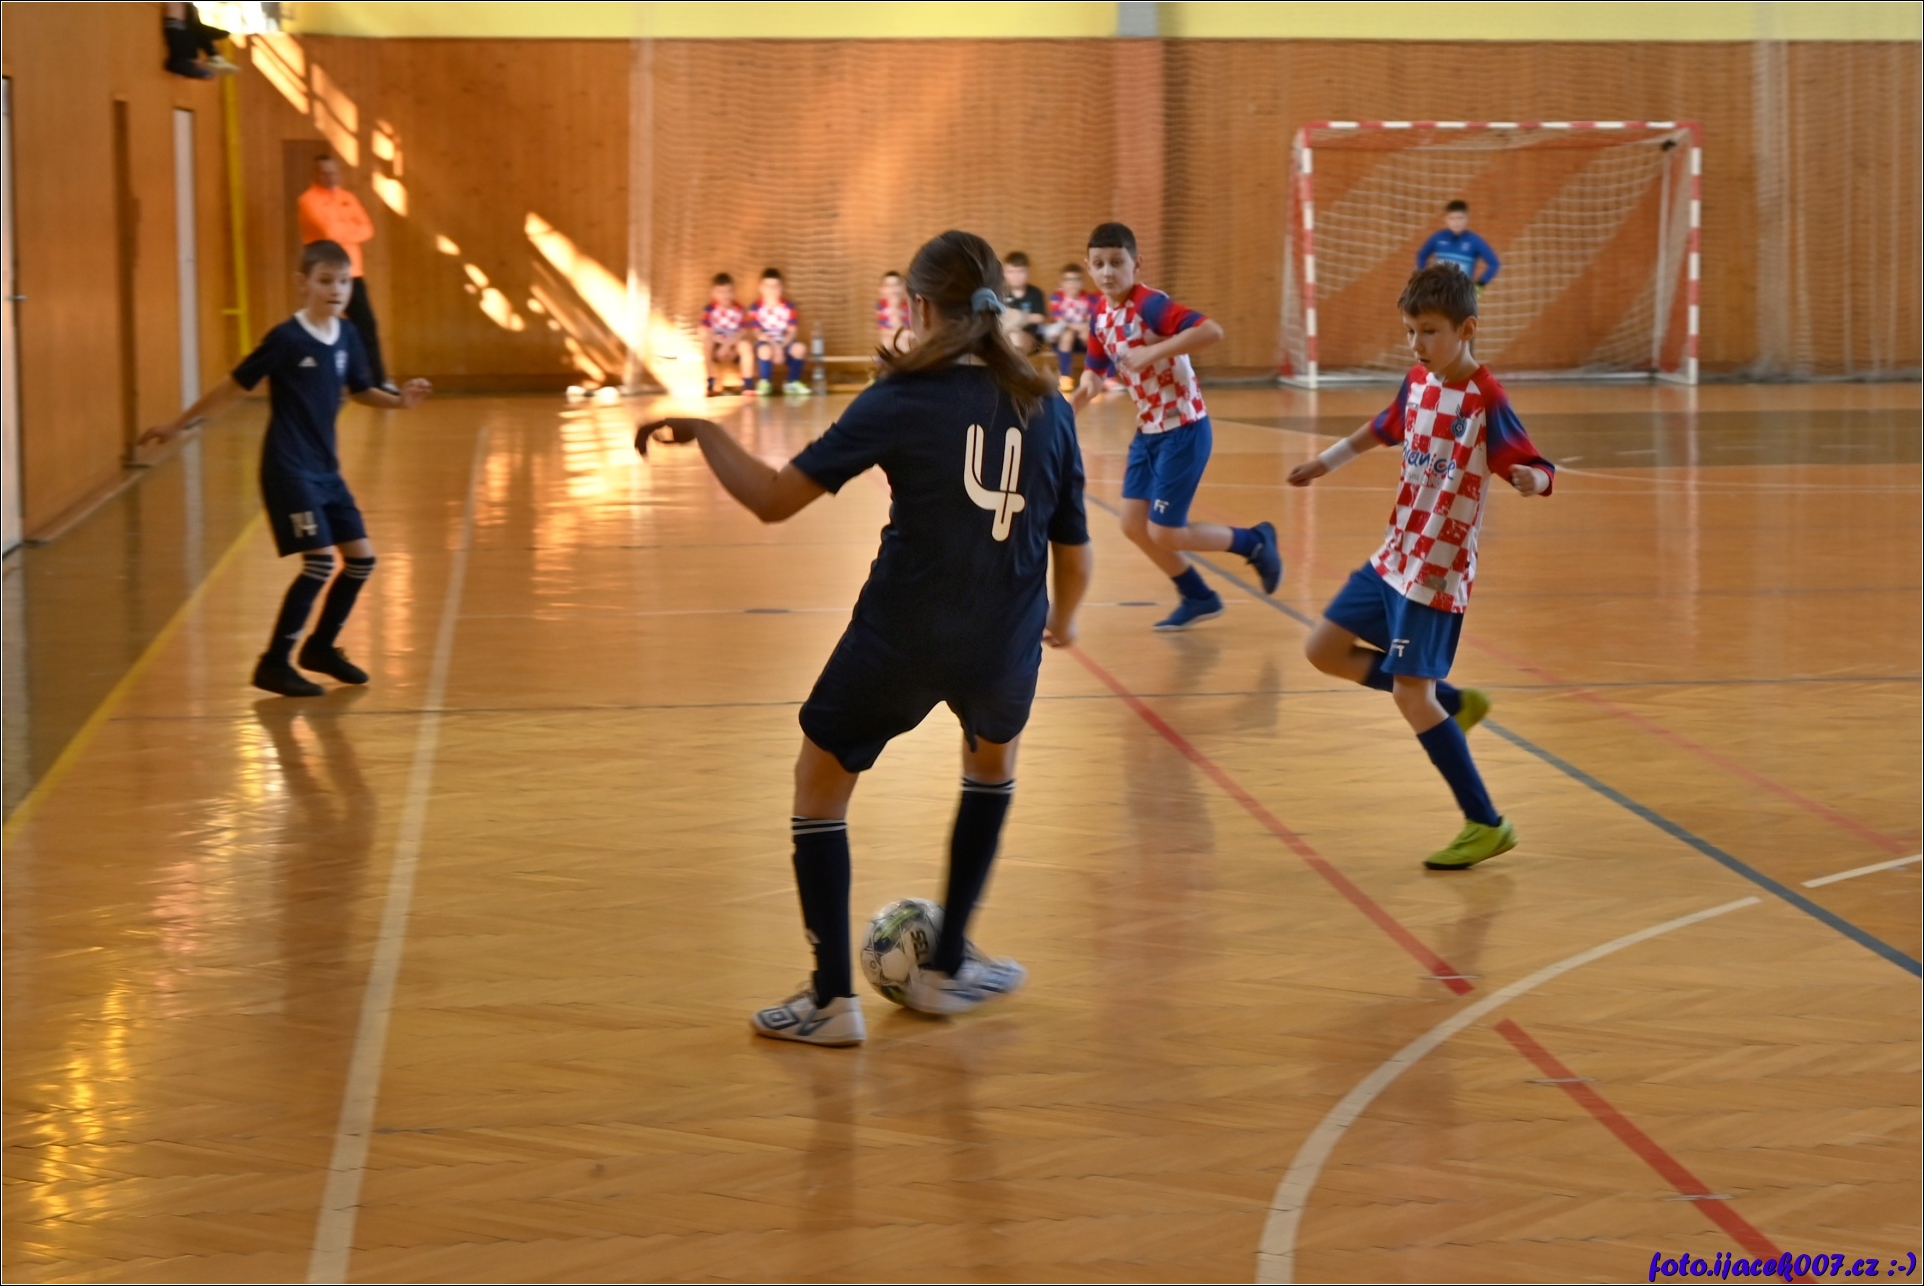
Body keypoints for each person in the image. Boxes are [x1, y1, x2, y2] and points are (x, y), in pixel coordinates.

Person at [637, 230, 1092, 1047]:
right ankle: (946, 969)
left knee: (820, 787)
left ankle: (830, 1002)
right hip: (1004, 638)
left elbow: (773, 499)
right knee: (991, 770)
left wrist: (706, 432)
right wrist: (1064, 618)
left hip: (902, 634)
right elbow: (1075, 551)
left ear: (918, 307)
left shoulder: (901, 398)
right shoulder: (1048, 403)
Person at [1287, 264, 1554, 870]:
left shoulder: (1486, 397)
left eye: (1429, 331)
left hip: (1437, 567)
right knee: (1324, 649)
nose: (1416, 344)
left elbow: (1539, 465)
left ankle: (1486, 823)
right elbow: (1382, 428)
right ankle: (1451, 705)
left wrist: (1531, 480)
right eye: (1410, 331)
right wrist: (1325, 462)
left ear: (1466, 330)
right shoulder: (1416, 382)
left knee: (1410, 693)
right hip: (1395, 553)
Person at [139, 240, 432, 698]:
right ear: (302, 284)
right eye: (325, 281)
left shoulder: (348, 335)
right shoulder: (287, 339)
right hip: (288, 469)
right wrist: (177, 425)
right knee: (319, 563)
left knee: (361, 561)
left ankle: (320, 648)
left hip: (326, 470)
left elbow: (360, 389)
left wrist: (399, 403)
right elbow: (233, 387)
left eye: (343, 282)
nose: (336, 290)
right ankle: (274, 663)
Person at [1071, 221, 1281, 631]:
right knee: (1133, 526)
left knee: (1165, 532)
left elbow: (1211, 331)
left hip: (1184, 427)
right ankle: (1198, 596)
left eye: (1117, 262)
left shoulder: (1150, 305)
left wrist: (1153, 352)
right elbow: (1094, 374)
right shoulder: (1100, 316)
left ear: (1136, 263)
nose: (1108, 271)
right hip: (1148, 431)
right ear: (1088, 266)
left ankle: (1254, 542)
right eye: (1099, 263)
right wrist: (1070, 406)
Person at [297, 155, 394, 393]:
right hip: (322, 275)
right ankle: (321, 382)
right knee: (320, 326)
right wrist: (349, 229)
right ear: (315, 175)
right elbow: (328, 231)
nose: (330, 177)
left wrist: (342, 231)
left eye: (333, 173)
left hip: (352, 272)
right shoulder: (308, 200)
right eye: (324, 173)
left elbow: (367, 229)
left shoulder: (348, 198)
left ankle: (378, 381)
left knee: (366, 325)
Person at [748, 268, 810, 396]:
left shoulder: (789, 307)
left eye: (775, 286)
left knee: (800, 348)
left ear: (781, 287)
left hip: (784, 342)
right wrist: (775, 347)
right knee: (764, 350)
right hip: (766, 342)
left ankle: (792, 382)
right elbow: (757, 333)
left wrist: (781, 346)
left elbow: (792, 332)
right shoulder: (755, 307)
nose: (771, 290)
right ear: (761, 287)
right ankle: (765, 382)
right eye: (768, 286)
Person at [1416, 200, 1500, 289]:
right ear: (1446, 219)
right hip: (1439, 292)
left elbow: (1494, 263)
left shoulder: (1475, 241)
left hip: (1462, 294)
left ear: (1467, 219)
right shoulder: (1437, 238)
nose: (1456, 222)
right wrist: (1423, 279)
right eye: (1452, 218)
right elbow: (1421, 256)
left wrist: (1480, 285)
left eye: (1460, 218)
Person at [1044, 264, 1100, 394]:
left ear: (1082, 282)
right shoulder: (1057, 297)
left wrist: (1083, 328)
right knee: (1068, 334)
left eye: (1076, 280)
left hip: (1082, 339)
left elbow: (1090, 321)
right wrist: (1079, 327)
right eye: (1068, 280)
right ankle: (1065, 378)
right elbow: (1061, 322)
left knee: (1089, 335)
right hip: (1062, 340)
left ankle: (1095, 376)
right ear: (1062, 283)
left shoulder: (1090, 299)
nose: (1072, 284)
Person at [698, 273, 753, 396]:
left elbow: (743, 331)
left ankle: (748, 384)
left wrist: (727, 346)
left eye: (728, 291)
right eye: (721, 292)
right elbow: (705, 330)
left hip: (733, 344)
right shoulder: (709, 309)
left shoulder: (739, 309)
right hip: (717, 345)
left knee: (746, 346)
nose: (725, 295)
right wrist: (721, 344)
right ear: (713, 293)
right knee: (706, 343)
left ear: (733, 292)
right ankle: (711, 383)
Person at [998, 251, 1048, 356]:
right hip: (1003, 335)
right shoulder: (999, 293)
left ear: (1027, 273)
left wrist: (1020, 316)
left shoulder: (1035, 293)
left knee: (1015, 338)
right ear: (1004, 273)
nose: (1015, 276)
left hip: (1031, 337)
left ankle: (1014, 365)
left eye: (1020, 271)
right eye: (1011, 272)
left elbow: (1040, 318)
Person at [875, 270, 912, 353]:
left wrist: (895, 309)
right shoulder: (881, 306)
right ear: (881, 289)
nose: (893, 290)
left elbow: (911, 334)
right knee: (887, 343)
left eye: (896, 285)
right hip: (890, 347)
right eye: (888, 286)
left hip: (907, 346)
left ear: (903, 287)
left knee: (904, 344)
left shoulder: (909, 306)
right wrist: (893, 308)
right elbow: (883, 332)